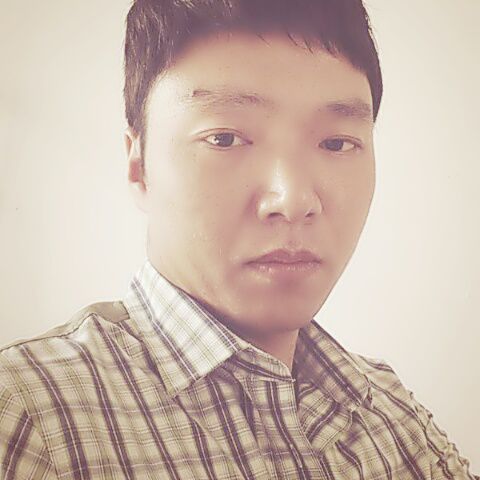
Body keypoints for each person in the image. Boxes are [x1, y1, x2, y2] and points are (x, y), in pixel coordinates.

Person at [0, 0, 477, 478]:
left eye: (336, 143)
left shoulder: (391, 410)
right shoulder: (30, 417)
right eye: (224, 138)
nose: (293, 201)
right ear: (139, 166)